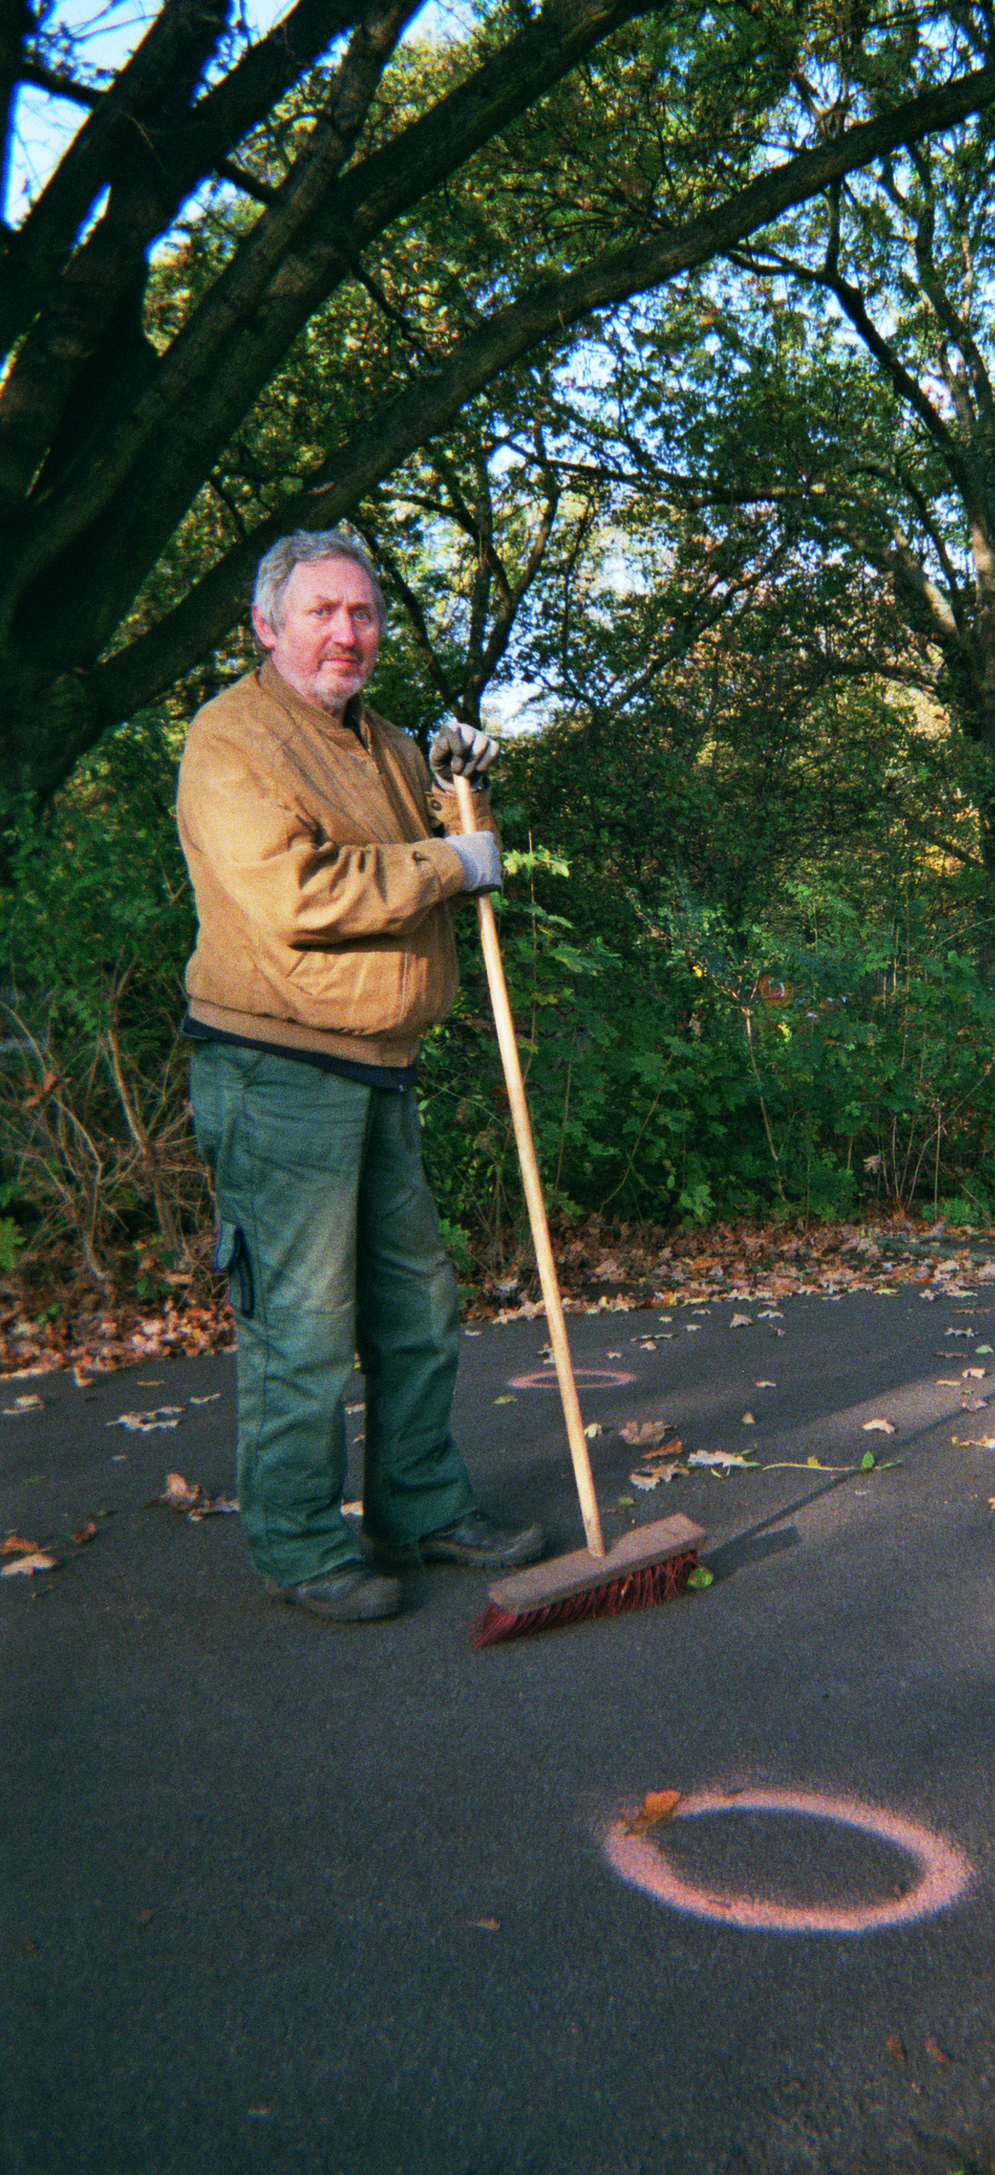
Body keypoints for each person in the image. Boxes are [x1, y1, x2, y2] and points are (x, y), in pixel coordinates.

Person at [176, 528, 545, 1622]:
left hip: (383, 1066)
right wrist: (448, 860)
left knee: (417, 1308)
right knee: (302, 1321)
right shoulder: (230, 740)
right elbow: (302, 894)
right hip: (276, 1068)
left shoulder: (379, 741)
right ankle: (296, 1544)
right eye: (323, 613)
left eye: (365, 613)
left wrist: (455, 787)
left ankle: (418, 1505)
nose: (349, 633)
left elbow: (438, 841)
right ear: (267, 626)